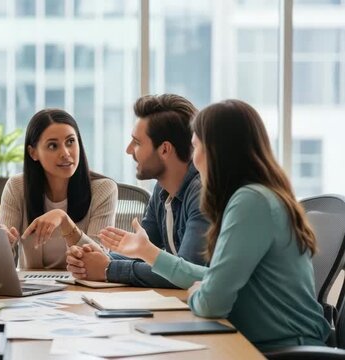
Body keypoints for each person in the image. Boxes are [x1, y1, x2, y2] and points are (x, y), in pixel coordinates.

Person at [100, 99, 330, 351]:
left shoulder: (251, 201)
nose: (193, 158)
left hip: (280, 349)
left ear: (216, 151)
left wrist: (200, 292)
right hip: (260, 342)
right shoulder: (253, 196)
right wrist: (150, 253)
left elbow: (212, 303)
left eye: (195, 146)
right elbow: (215, 278)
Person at [66, 94, 208, 287]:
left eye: (137, 143)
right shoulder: (162, 189)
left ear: (165, 149)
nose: (128, 149)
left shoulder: (201, 194)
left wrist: (108, 269)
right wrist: (93, 258)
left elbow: (185, 273)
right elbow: (143, 253)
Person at [0, 108, 117, 269]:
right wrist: (1, 243)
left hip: (81, 289)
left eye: (70, 142)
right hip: (32, 290)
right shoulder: (17, 187)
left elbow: (99, 259)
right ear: (33, 153)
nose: (65, 153)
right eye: (53, 146)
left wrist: (64, 221)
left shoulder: (103, 189)